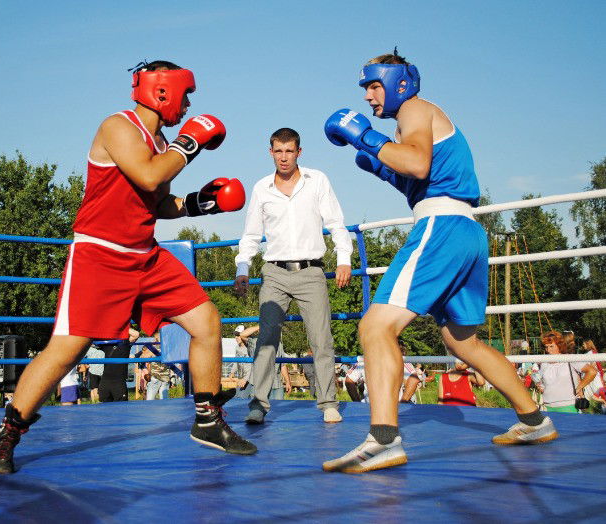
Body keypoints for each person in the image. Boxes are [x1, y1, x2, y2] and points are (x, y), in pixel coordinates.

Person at [0, 59, 257, 475]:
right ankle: (8, 432)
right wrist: (190, 142)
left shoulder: (164, 142)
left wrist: (201, 202)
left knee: (207, 321)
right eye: (185, 95)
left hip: (145, 255)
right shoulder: (119, 127)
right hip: (100, 256)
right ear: (162, 90)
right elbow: (147, 177)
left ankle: (207, 420)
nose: (187, 106)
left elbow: (158, 202)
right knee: (66, 352)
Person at [321, 50, 558, 473]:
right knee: (461, 342)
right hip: (466, 231)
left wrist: (366, 138)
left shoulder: (415, 108)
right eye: (365, 89)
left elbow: (416, 162)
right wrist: (381, 165)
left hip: (442, 227)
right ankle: (534, 420)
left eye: (374, 86)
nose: (369, 97)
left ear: (400, 82)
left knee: (375, 326)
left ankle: (383, 441)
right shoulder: (417, 120)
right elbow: (423, 177)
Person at [234, 127, 353, 425]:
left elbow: (337, 222)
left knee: (321, 340)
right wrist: (242, 267)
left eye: (289, 151)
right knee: (266, 338)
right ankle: (259, 404)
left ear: (299, 152)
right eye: (278, 151)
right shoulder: (262, 187)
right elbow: (251, 232)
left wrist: (344, 258)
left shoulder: (318, 181)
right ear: (270, 152)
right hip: (273, 272)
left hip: (311, 271)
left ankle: (327, 402)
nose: (284, 157)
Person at [532, 331, 596, 413]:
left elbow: (592, 371)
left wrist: (579, 387)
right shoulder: (544, 363)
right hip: (547, 406)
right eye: (546, 347)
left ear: (559, 346)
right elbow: (540, 381)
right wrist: (539, 385)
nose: (548, 350)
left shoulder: (570, 359)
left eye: (551, 346)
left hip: (569, 406)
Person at [238, 325, 291, 401]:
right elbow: (242, 334)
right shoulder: (254, 342)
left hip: (275, 384)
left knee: (278, 410)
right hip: (259, 384)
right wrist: (262, 324)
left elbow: (282, 365)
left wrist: (288, 381)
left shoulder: (278, 344)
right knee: (258, 410)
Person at [98, 327, 140, 402]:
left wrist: (117, 325)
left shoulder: (125, 343)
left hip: (119, 382)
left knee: (121, 409)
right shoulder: (106, 342)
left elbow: (136, 334)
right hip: (105, 381)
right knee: (104, 410)